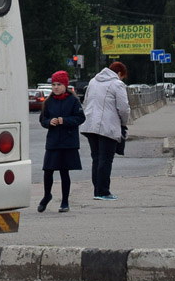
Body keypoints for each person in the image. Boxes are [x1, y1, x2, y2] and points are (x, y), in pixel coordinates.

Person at [81, 60, 130, 201]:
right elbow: (123, 108)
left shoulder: (93, 82)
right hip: (107, 126)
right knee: (106, 160)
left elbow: (86, 101)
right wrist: (123, 123)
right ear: (120, 73)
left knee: (96, 159)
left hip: (90, 125)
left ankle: (97, 190)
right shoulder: (117, 84)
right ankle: (103, 191)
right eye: (123, 76)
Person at [38, 70, 85, 213]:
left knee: (64, 172)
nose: (56, 87)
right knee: (48, 171)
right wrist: (48, 122)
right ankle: (47, 196)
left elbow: (80, 118)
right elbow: (42, 119)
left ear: (65, 85)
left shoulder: (73, 101)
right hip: (53, 142)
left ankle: (65, 201)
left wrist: (65, 121)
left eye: (59, 84)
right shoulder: (48, 101)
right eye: (53, 85)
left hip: (68, 142)